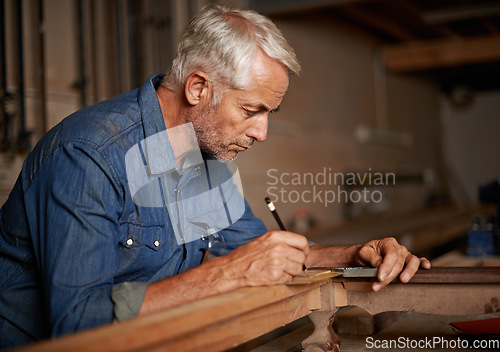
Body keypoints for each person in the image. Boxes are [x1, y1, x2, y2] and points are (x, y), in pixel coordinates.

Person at [0, 4, 430, 349]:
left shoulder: (203, 160)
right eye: (250, 110)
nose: (262, 132)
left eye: (268, 113)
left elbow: (258, 251)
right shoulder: (90, 155)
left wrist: (355, 254)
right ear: (198, 88)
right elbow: (77, 324)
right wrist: (228, 274)